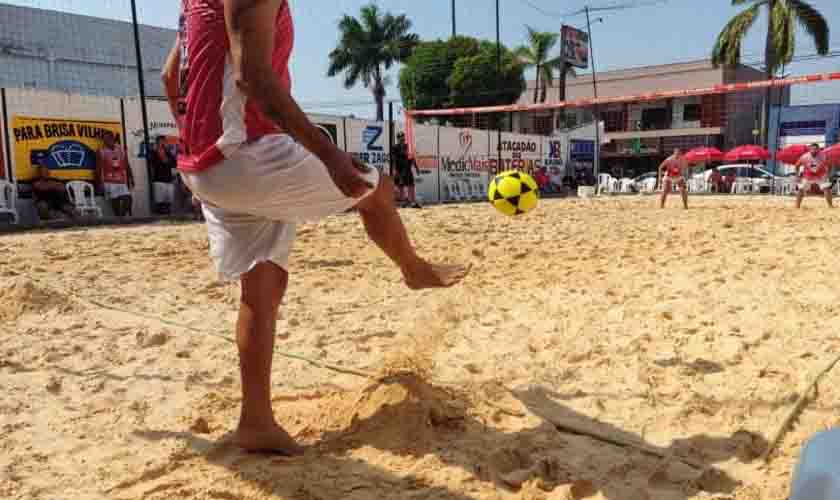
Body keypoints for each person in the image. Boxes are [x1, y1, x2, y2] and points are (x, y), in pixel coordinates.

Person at [162, 0, 469, 454]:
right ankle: (412, 268)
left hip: (204, 160)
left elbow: (173, 77)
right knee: (377, 191)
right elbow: (254, 80)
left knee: (262, 286)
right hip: (243, 152)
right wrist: (329, 155)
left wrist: (197, 158)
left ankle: (256, 421)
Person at [96, 131, 134, 217]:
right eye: (104, 139)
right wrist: (98, 184)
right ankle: (119, 219)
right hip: (108, 181)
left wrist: (131, 177)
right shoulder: (101, 151)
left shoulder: (120, 149)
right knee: (115, 202)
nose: (106, 141)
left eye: (108, 138)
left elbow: (127, 164)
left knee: (128, 199)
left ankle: (121, 217)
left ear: (113, 138)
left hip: (121, 180)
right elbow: (98, 169)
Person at [795, 143, 833, 209]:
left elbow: (830, 164)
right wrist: (797, 175)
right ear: (809, 149)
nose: (814, 151)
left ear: (818, 149)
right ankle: (797, 206)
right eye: (812, 149)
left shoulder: (823, 156)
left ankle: (830, 206)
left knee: (826, 188)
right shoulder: (805, 156)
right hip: (808, 175)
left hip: (820, 175)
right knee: (801, 189)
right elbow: (797, 165)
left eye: (816, 149)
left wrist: (828, 174)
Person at [391, 132, 422, 208]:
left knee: (411, 185)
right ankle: (404, 202)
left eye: (403, 137)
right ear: (397, 138)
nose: (402, 139)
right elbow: (394, 160)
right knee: (400, 186)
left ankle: (412, 202)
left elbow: (412, 157)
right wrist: (395, 170)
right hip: (400, 169)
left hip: (408, 168)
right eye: (401, 137)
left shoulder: (407, 146)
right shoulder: (395, 147)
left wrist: (416, 167)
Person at [149, 136, 177, 215]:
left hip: (169, 180)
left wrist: (166, 159)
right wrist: (161, 157)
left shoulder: (168, 152)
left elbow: (174, 163)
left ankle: (168, 216)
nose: (163, 143)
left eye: (164, 142)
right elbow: (153, 164)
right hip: (158, 180)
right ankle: (160, 217)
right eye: (161, 142)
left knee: (168, 202)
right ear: (157, 142)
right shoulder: (153, 152)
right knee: (159, 202)